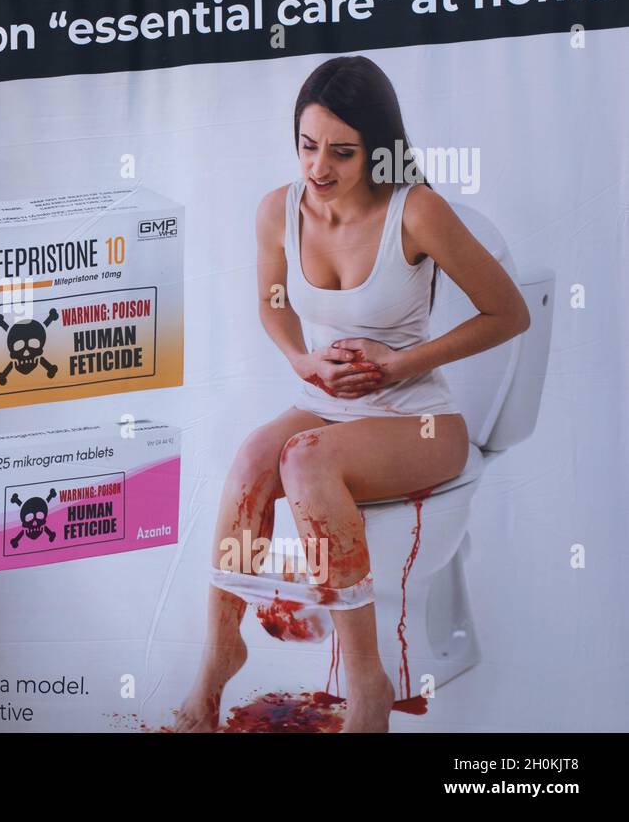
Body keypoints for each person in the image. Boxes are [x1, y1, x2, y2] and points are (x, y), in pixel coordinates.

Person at [176, 56, 530, 732]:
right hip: (332, 402)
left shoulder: (416, 212)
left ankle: (365, 676)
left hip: (418, 417)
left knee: (304, 460)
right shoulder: (278, 211)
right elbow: (272, 304)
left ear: (379, 148)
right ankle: (221, 647)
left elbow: (510, 313)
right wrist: (303, 360)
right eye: (307, 146)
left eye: (342, 152)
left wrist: (402, 364)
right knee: (255, 455)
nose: (319, 168)